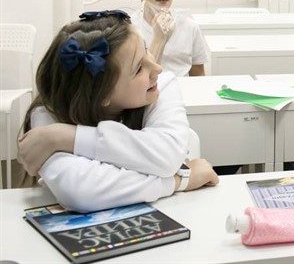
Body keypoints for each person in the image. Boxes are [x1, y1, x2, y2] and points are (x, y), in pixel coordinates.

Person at [17, 11, 218, 212]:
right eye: (138, 69)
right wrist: (178, 181)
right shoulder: (47, 112)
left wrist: (67, 137)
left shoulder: (161, 86)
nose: (157, 68)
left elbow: (167, 157)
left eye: (146, 49)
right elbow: (82, 191)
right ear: (102, 95)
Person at [128, 0, 208, 77]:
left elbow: (198, 75)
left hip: (182, 88)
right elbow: (135, 79)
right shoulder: (129, 29)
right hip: (146, 88)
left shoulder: (189, 26)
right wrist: (159, 38)